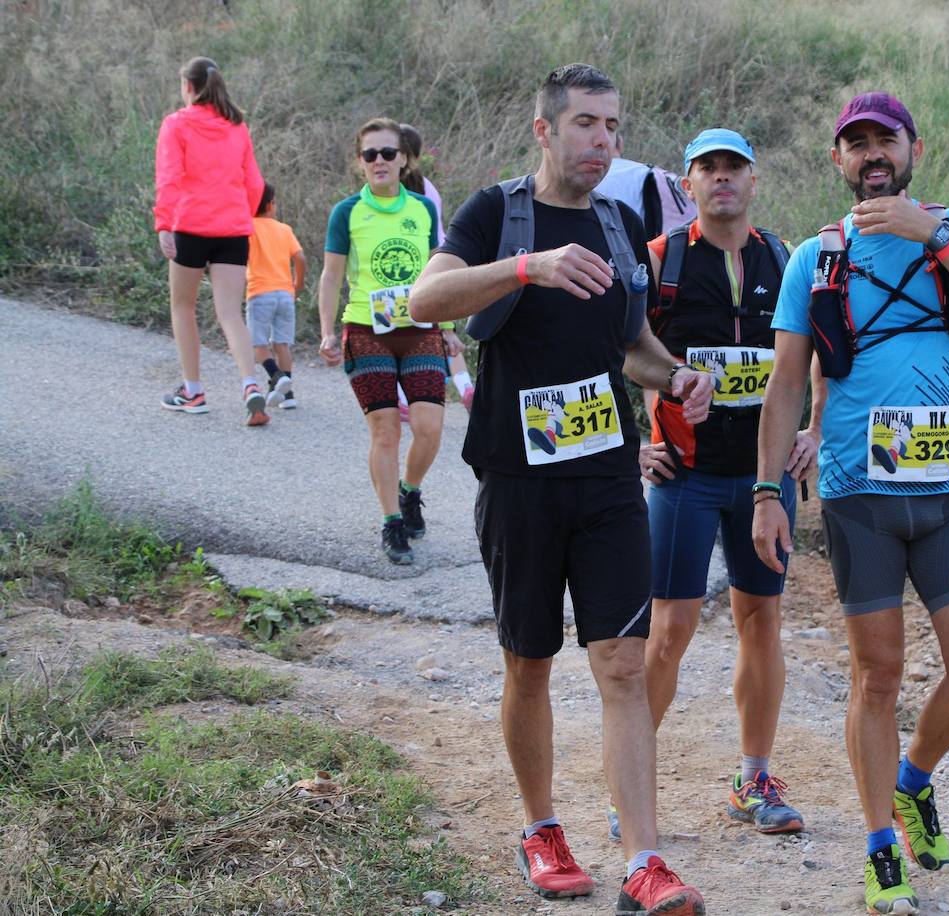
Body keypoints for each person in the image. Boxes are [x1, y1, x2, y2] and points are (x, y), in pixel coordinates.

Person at [409, 63, 709, 916]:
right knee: (529, 662)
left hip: (609, 475)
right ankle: (542, 830)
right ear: (545, 130)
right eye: (584, 125)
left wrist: (677, 376)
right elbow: (426, 298)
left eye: (612, 126)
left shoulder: (619, 225)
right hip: (516, 474)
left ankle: (644, 861)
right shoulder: (493, 213)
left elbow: (635, 347)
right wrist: (525, 267)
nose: (602, 142)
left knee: (621, 662)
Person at [753, 92, 949, 915]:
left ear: (914, 147)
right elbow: (782, 386)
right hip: (858, 496)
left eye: (886, 140)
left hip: (946, 492)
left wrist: (932, 234)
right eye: (856, 144)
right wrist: (770, 491)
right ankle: (880, 844)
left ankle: (913, 781)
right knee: (876, 674)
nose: (872, 154)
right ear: (837, 162)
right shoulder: (817, 256)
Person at [626, 127, 823, 843]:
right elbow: (620, 349)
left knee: (760, 621)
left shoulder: (787, 260)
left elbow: (826, 353)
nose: (721, 180)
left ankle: (754, 778)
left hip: (763, 477)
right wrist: (635, 445)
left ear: (753, 179)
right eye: (707, 169)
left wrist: (817, 431)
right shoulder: (661, 260)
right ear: (688, 184)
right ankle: (632, 778)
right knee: (670, 629)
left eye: (734, 167)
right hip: (684, 474)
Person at [317, 118, 461, 566]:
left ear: (404, 159)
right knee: (385, 429)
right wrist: (326, 331)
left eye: (387, 153)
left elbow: (443, 268)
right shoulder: (347, 212)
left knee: (430, 428)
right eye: (369, 154)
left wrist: (450, 327)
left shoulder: (422, 208)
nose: (378, 161)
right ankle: (390, 521)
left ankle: (409, 490)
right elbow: (331, 275)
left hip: (421, 328)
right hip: (366, 330)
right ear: (360, 162)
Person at [154, 56, 269, 425]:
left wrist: (164, 224)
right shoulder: (237, 126)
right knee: (230, 313)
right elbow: (255, 184)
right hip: (233, 230)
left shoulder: (176, 124)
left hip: (190, 226)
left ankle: (193, 391)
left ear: (188, 87)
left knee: (182, 307)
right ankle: (251, 385)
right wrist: (240, 213)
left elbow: (170, 176)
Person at [398, 123, 476, 413]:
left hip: (405, 265)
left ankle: (403, 398)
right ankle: (466, 386)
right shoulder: (427, 187)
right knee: (444, 329)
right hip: (438, 260)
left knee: (399, 329)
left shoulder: (394, 192)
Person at [244, 182, 306, 409]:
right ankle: (287, 396)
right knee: (282, 344)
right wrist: (297, 284)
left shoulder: (248, 228)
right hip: (285, 293)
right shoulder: (284, 229)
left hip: (260, 292)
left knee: (257, 344)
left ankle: (277, 376)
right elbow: (300, 257)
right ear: (271, 204)